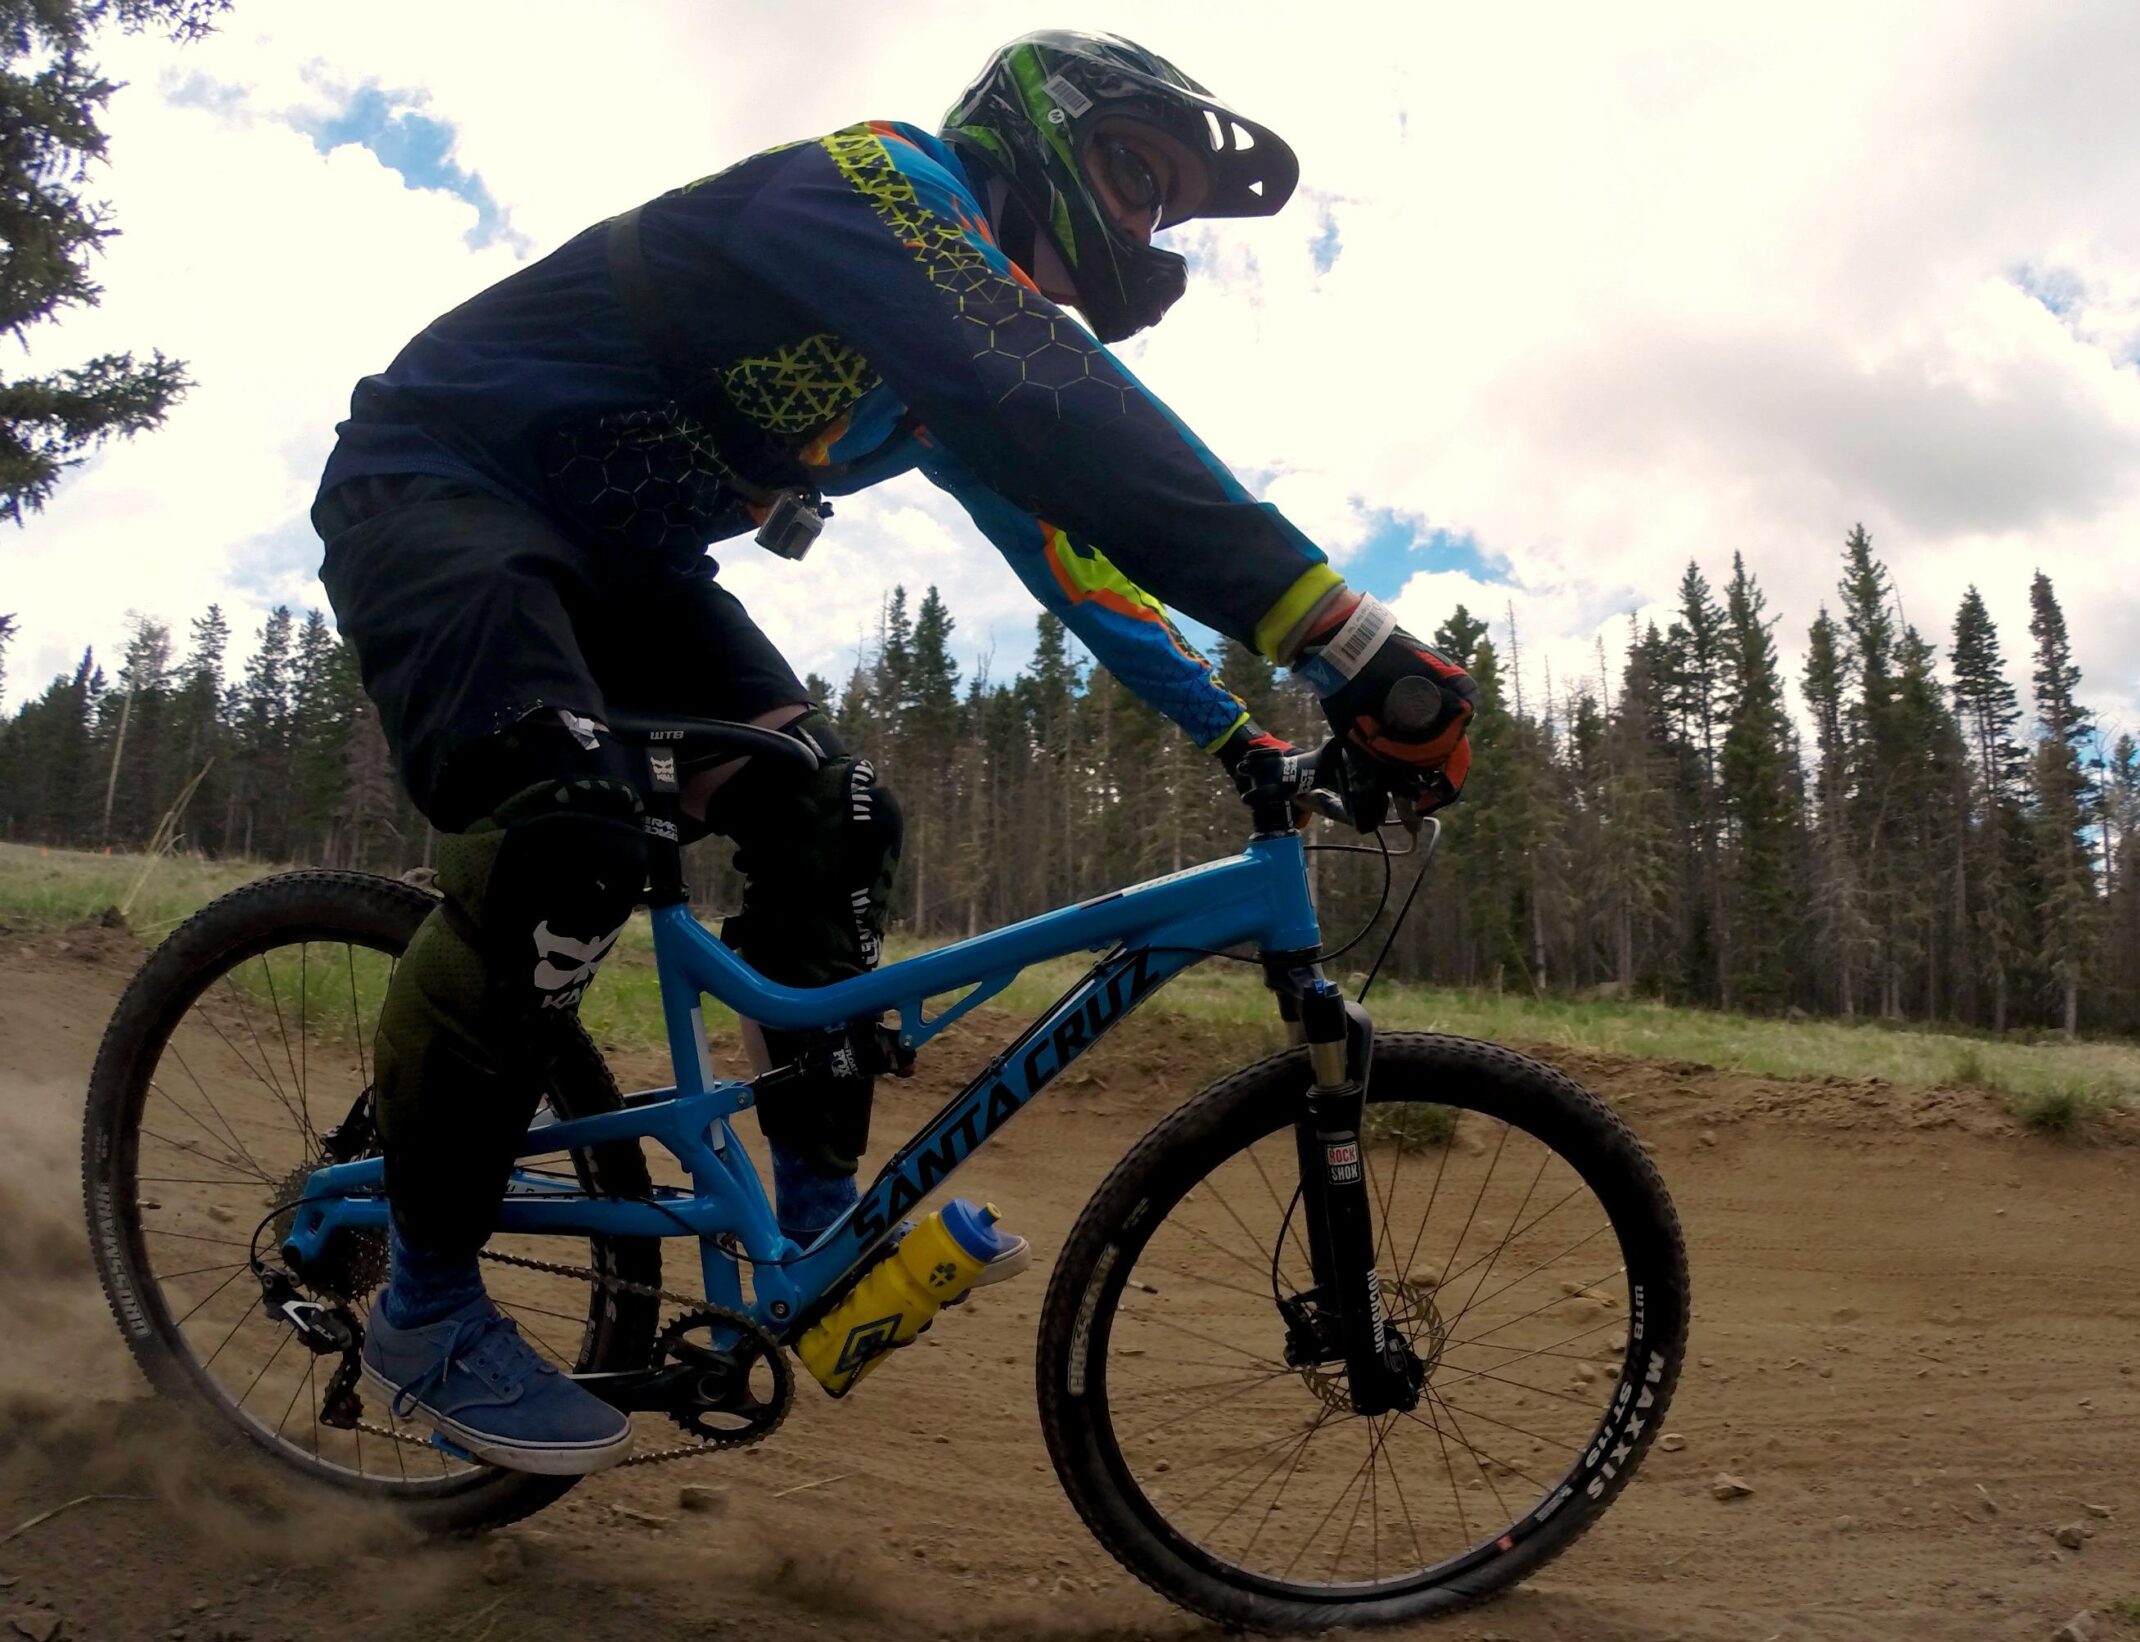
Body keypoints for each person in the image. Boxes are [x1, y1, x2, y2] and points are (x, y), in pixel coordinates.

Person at [312, 29, 1476, 1476]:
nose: (1139, 226)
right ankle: (423, 1305)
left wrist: (1241, 736)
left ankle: (813, 1222)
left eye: (1163, 212)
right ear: (1034, 134)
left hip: (622, 569)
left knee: (838, 811)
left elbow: (1080, 562)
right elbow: (1054, 396)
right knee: (571, 841)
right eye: (1131, 176)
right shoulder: (873, 187)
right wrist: (1343, 634)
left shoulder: (928, 383)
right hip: (442, 481)